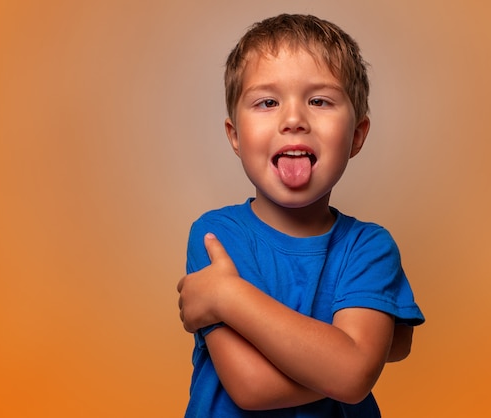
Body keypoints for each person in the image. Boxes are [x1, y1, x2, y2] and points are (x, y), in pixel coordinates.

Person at [177, 13, 425, 417]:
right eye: (268, 102)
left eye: (319, 101)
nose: (293, 120)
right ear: (235, 136)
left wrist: (227, 296)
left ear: (357, 136)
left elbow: (352, 375)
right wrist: (351, 360)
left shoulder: (370, 248)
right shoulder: (215, 236)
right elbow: (252, 386)